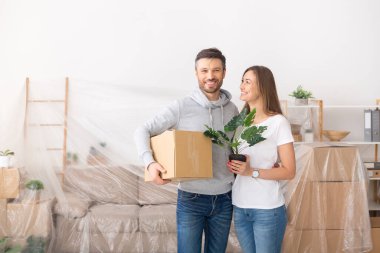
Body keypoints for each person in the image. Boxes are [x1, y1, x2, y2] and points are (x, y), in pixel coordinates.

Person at [134, 48, 238, 253]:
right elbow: (142, 130)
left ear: (224, 72)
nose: (210, 76)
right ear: (196, 73)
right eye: (204, 70)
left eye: (216, 70)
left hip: (225, 198)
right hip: (192, 198)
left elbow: (235, 148)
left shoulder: (233, 109)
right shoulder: (181, 107)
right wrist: (150, 162)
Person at [227, 66, 296, 253]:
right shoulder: (239, 123)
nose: (241, 86)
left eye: (247, 81)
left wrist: (251, 171)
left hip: (267, 209)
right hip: (240, 207)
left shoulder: (278, 122)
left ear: (263, 87)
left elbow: (289, 171)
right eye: (242, 81)